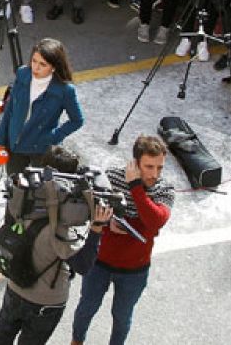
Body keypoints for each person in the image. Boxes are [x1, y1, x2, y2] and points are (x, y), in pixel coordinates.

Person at [0, 147, 101, 345]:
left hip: (15, 287)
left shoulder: (21, 200)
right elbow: (83, 265)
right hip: (46, 303)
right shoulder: (61, 229)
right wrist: (96, 230)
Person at [68, 134, 174, 345]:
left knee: (122, 317)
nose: (155, 174)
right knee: (86, 308)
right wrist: (107, 223)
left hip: (135, 270)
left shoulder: (164, 189)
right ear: (135, 163)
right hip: (99, 263)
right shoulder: (111, 178)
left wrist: (135, 186)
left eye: (159, 167)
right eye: (149, 166)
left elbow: (155, 221)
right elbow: (89, 210)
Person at [0, 39, 84, 176]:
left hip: (40, 150)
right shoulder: (23, 74)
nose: (36, 68)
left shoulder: (65, 91)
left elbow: (77, 120)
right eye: (34, 61)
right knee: (15, 187)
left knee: (39, 191)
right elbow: (10, 109)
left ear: (54, 67)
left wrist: (53, 137)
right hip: (15, 144)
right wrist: (0, 140)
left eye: (43, 64)